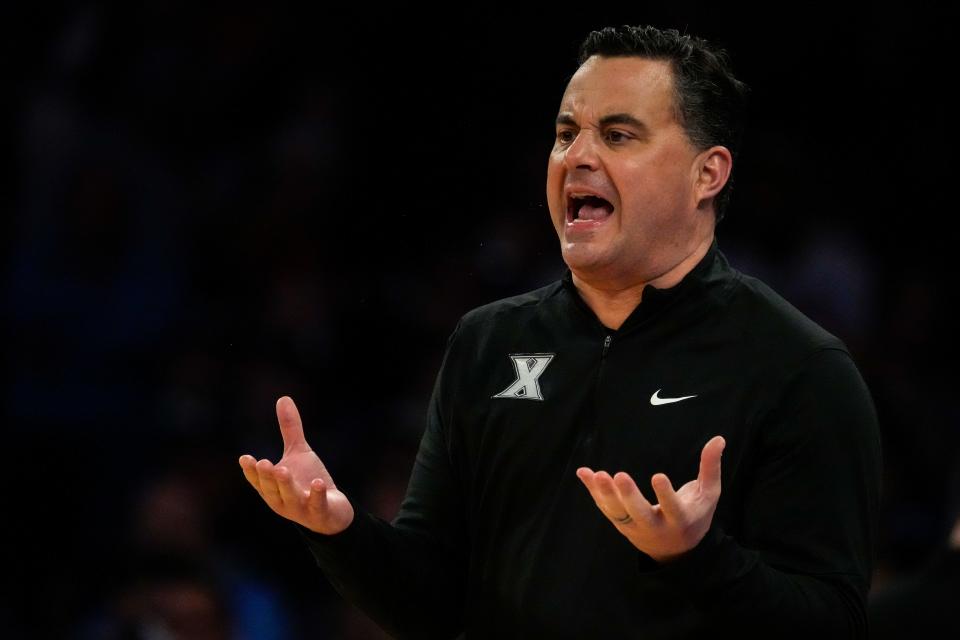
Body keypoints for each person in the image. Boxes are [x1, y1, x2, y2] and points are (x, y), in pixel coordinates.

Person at [239, 25, 882, 638]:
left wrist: (696, 558)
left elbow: (832, 622)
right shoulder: (487, 342)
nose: (577, 156)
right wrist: (338, 532)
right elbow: (432, 606)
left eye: (619, 134)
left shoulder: (799, 368)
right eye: (565, 133)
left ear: (706, 174)